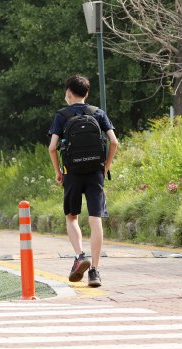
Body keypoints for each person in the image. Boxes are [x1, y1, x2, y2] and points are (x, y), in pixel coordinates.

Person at [48, 74, 118, 288]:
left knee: (72, 217)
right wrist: (105, 166)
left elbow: (52, 147)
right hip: (95, 172)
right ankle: (95, 272)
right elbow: (113, 141)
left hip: (72, 172)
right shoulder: (98, 113)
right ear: (86, 94)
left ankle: (80, 256)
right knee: (95, 218)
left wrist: (59, 171)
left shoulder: (62, 115)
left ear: (68, 93)